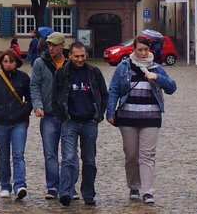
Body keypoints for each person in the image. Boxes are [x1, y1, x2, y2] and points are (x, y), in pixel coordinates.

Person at [106, 35, 178, 206]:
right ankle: (134, 186)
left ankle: (147, 191)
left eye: (146, 50)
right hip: (128, 117)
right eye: (140, 50)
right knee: (131, 155)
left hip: (151, 117)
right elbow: (114, 89)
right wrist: (110, 111)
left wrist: (157, 78)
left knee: (147, 155)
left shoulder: (156, 68)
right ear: (134, 50)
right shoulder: (124, 67)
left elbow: (172, 88)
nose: (143, 53)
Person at [52, 42, 108, 207]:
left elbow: (104, 94)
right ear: (69, 55)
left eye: (82, 56)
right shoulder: (62, 73)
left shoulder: (94, 72)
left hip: (90, 122)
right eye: (76, 56)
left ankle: (88, 194)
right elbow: (54, 98)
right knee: (68, 158)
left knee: (89, 160)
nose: (80, 59)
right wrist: (62, 116)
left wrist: (99, 115)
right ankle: (66, 193)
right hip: (70, 121)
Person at [0, 49, 31, 200]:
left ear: (17, 63)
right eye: (6, 61)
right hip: (0, 123)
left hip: (19, 122)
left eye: (11, 61)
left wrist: (25, 111)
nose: (8, 64)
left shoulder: (23, 78)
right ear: (1, 63)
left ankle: (20, 185)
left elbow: (30, 97)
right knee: (4, 156)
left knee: (18, 154)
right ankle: (5, 186)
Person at [30, 32, 68, 200]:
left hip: (68, 115)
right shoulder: (40, 63)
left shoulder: (69, 63)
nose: (51, 48)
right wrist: (37, 105)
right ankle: (52, 186)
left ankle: (68, 186)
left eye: (54, 45)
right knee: (50, 153)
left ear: (62, 46)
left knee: (69, 154)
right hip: (49, 114)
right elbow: (35, 86)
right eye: (49, 45)